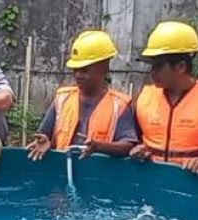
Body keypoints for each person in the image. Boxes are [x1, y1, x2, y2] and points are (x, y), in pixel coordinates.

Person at [129, 21, 198, 173]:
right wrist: (138, 150)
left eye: (159, 66)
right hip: (151, 183)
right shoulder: (144, 98)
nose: (153, 72)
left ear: (181, 67)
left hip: (194, 185)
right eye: (151, 66)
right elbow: (134, 140)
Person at [27, 29, 136, 161]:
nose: (78, 75)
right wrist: (44, 141)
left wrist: (99, 147)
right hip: (64, 174)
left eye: (84, 70)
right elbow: (44, 134)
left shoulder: (119, 106)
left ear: (104, 67)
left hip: (99, 177)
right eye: (75, 70)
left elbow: (128, 145)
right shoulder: (62, 99)